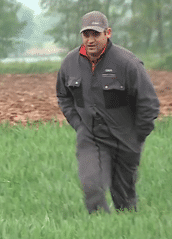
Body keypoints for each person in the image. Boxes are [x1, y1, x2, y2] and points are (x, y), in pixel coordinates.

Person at [56, 11, 160, 214]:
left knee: (125, 198)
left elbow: (149, 103)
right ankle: (99, 228)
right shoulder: (70, 63)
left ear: (108, 33)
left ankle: (124, 229)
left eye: (96, 34)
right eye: (86, 35)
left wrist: (137, 136)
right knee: (91, 185)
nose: (90, 40)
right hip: (90, 136)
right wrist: (78, 124)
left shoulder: (127, 63)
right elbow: (63, 96)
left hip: (125, 138)